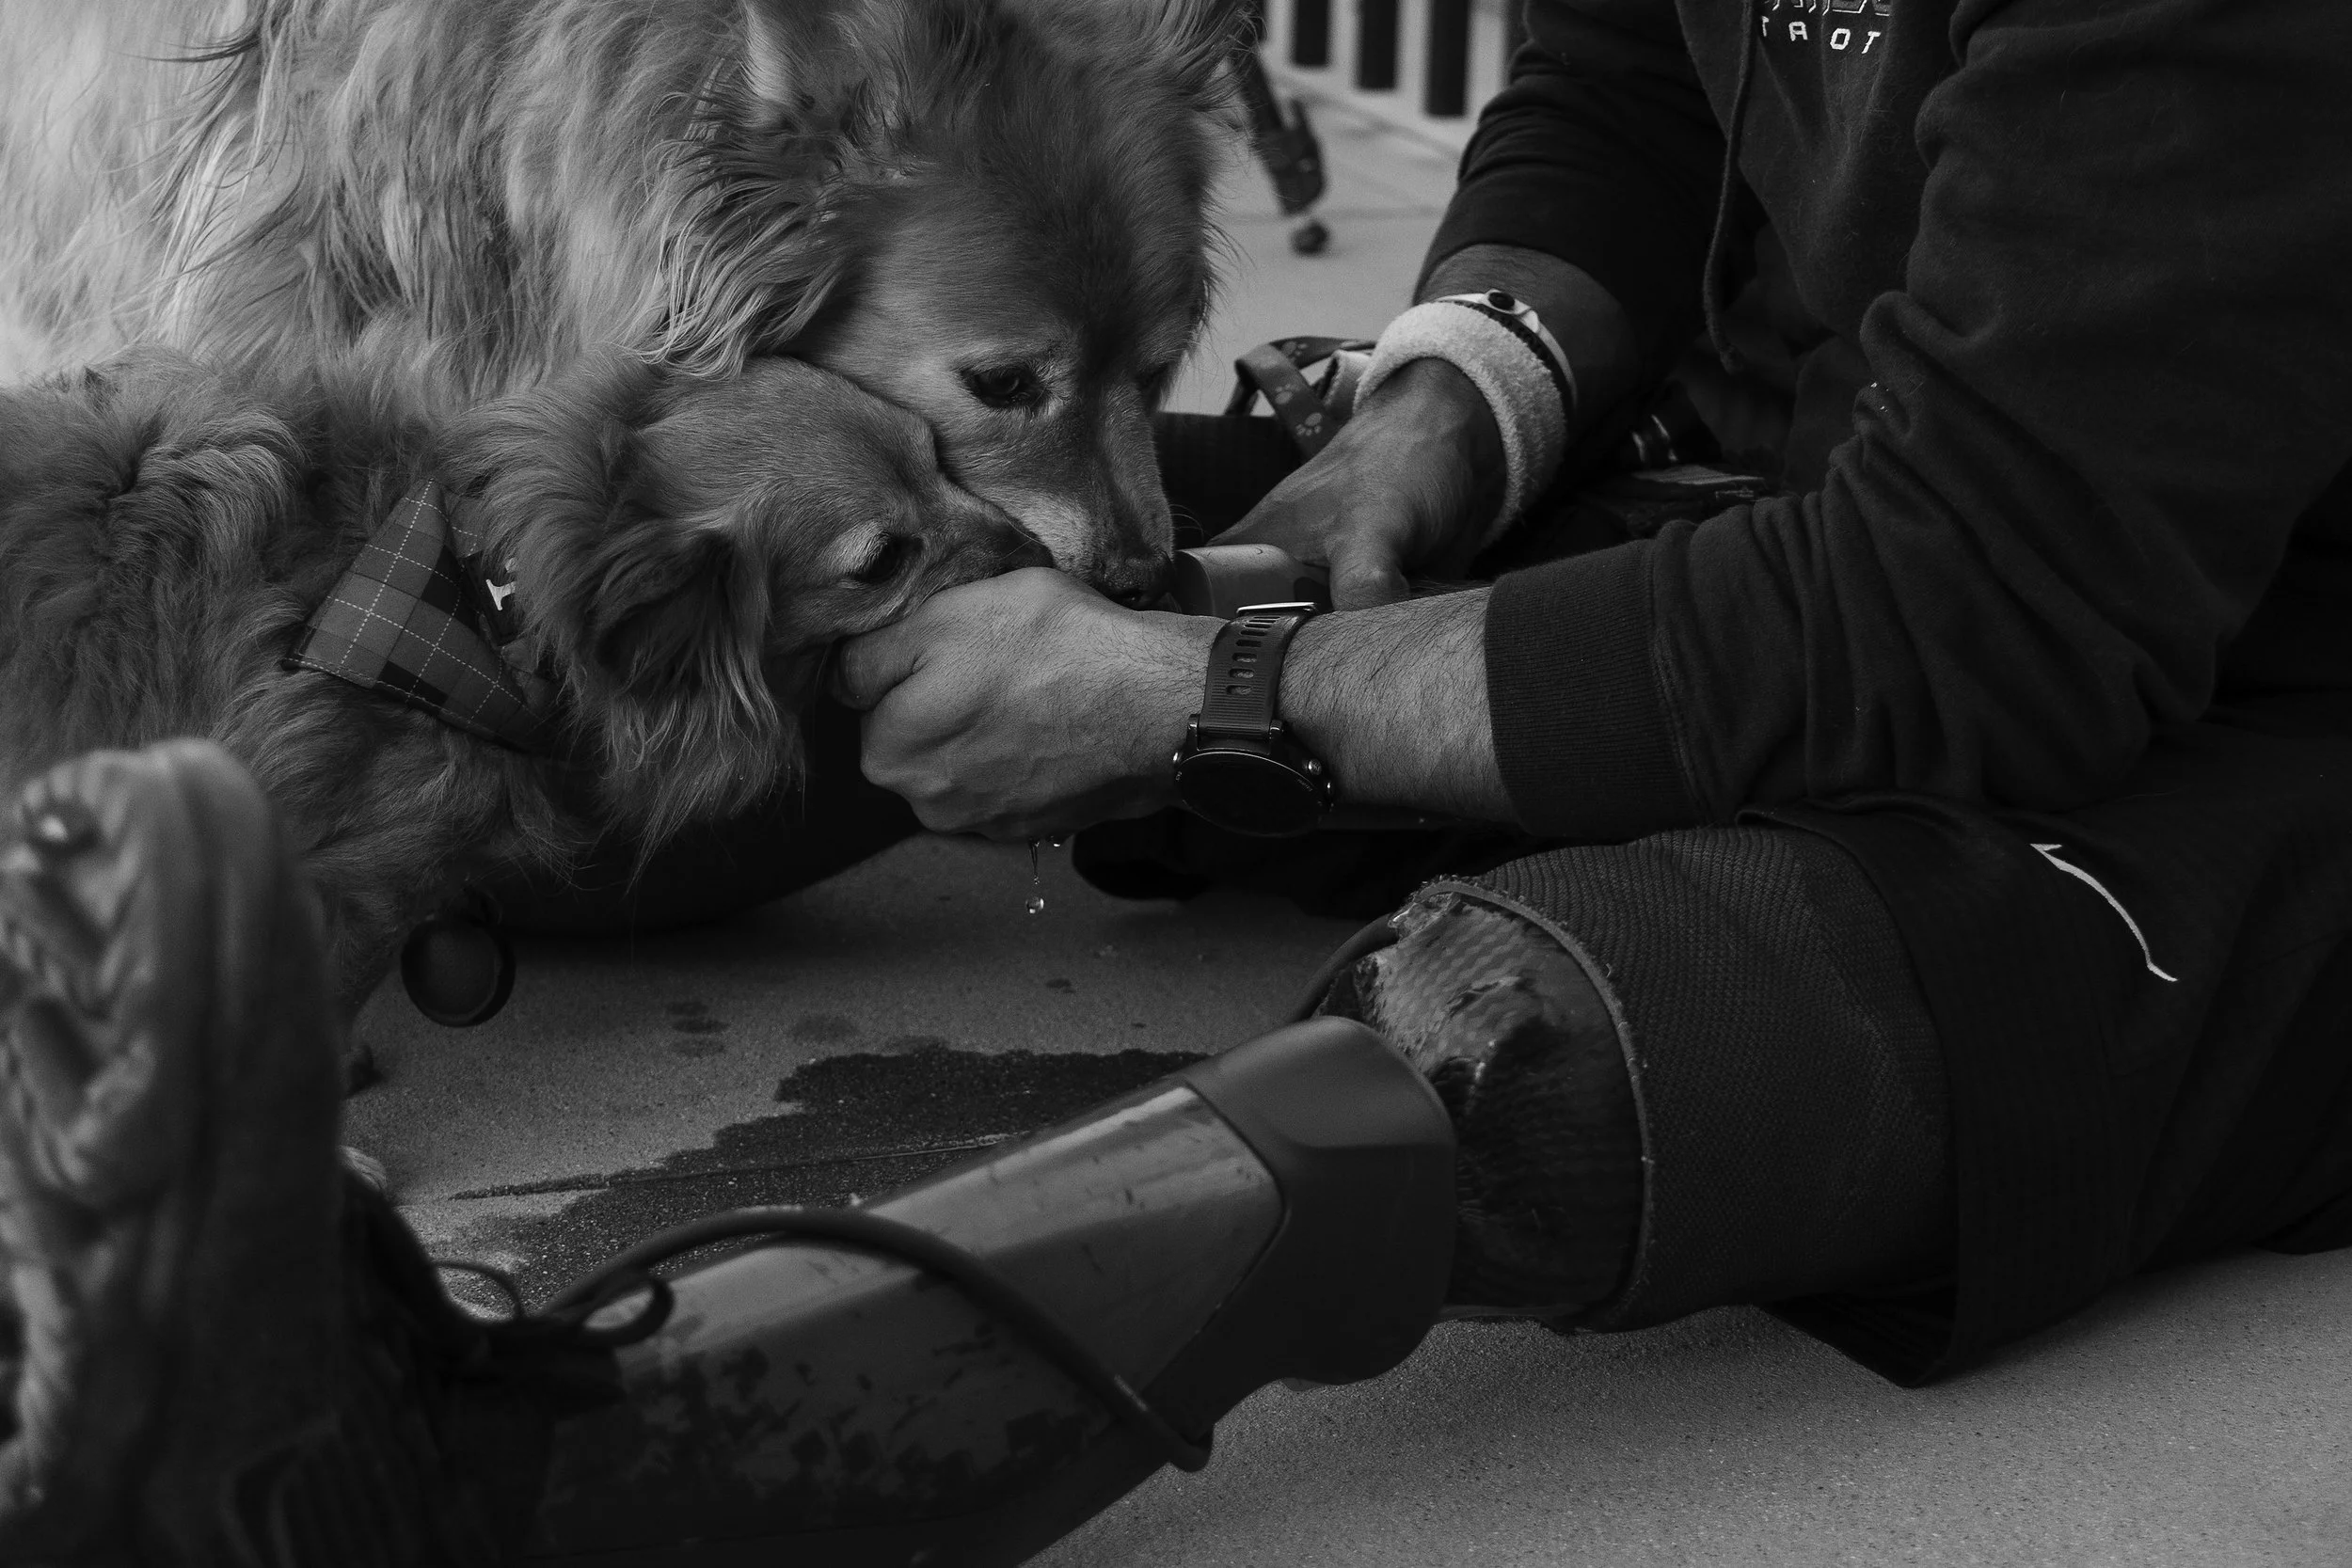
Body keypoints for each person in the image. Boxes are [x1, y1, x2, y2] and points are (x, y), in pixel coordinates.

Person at [7, 0, 2352, 1558]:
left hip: (2214, 712)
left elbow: (1978, 609)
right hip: (1727, 507)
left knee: (1531, 1022)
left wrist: (1214, 691)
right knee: (689, 691)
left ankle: (548, 1457)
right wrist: (1442, 426)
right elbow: (1620, 87)